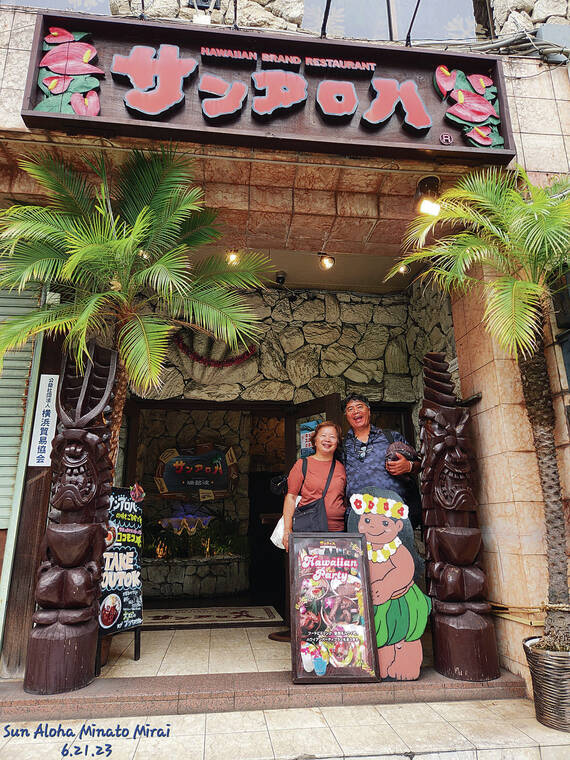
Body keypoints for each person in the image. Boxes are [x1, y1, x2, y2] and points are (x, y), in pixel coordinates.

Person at [342, 392, 423, 581]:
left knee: (399, 566)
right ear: (346, 416)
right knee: (362, 570)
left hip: (393, 514)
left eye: (360, 407)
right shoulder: (342, 445)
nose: (355, 412)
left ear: (369, 411)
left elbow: (419, 464)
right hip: (359, 517)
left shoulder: (390, 436)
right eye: (350, 409)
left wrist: (408, 466)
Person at [282, 421, 346, 551]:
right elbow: (291, 497)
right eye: (323, 435)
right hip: (309, 531)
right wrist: (287, 529)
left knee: (334, 570)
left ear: (337, 442)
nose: (327, 440)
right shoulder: (302, 464)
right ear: (315, 440)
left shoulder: (341, 467)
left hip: (337, 533)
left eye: (332, 437)